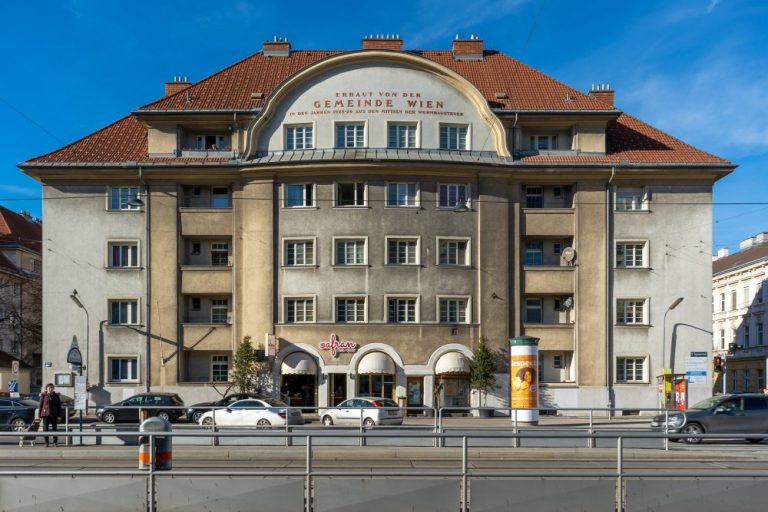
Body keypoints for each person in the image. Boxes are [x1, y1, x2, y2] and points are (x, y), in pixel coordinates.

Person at [38, 383, 62, 447]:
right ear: (46, 389)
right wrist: (39, 415)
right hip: (45, 415)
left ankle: (55, 442)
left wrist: (59, 415)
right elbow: (40, 406)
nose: (50, 389)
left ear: (53, 389)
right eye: (48, 388)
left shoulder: (55, 396)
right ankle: (46, 442)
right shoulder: (43, 395)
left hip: (54, 414)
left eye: (51, 388)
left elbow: (59, 406)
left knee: (55, 429)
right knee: (45, 429)